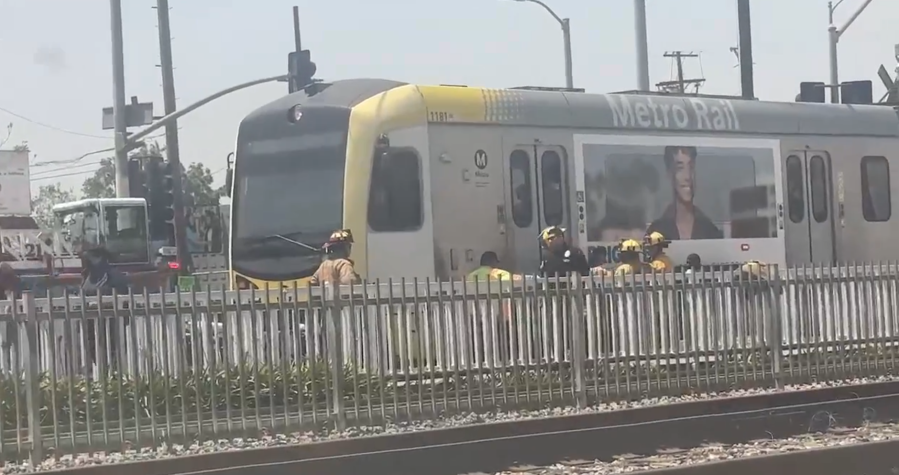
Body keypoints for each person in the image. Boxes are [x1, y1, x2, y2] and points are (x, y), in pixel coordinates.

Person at [647, 146, 723, 240]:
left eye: (691, 167)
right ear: (670, 174)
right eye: (680, 168)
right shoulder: (656, 232)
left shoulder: (711, 232)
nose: (687, 176)